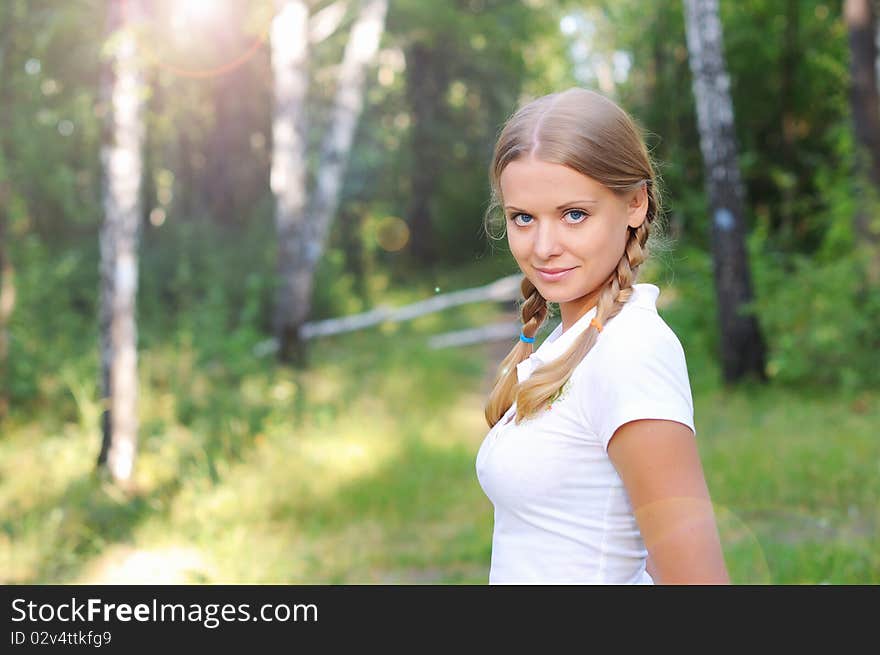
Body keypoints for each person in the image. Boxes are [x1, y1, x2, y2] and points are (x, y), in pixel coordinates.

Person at [475, 87, 729, 585]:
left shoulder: (630, 352)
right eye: (523, 218)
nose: (545, 247)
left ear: (634, 203)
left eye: (574, 214)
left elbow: (696, 579)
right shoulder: (572, 341)